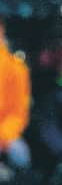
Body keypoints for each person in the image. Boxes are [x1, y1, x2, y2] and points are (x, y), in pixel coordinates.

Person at [0, 15, 32, 170]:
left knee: (20, 154)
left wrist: (3, 135)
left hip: (3, 135)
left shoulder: (16, 69)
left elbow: (18, 114)